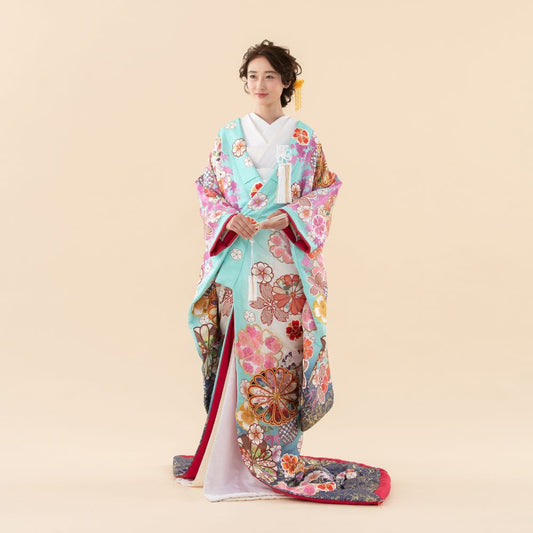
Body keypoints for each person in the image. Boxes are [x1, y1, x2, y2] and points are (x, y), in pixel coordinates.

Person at [173, 39, 391, 504]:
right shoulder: (227, 135)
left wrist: (290, 216)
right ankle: (228, 460)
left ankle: (275, 454)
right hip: (239, 261)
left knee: (280, 360)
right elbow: (207, 189)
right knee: (239, 354)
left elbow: (325, 192)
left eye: (269, 76)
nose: (260, 84)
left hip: (285, 268)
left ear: (287, 82)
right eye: (252, 76)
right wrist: (228, 218)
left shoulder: (304, 139)